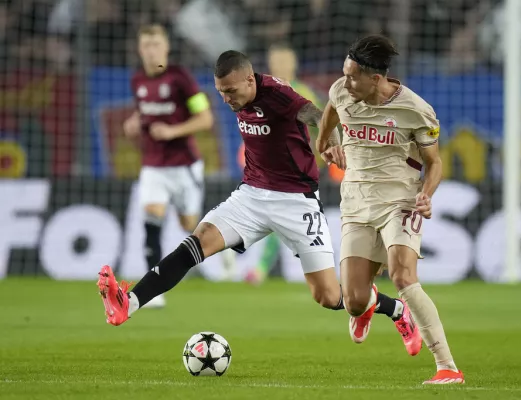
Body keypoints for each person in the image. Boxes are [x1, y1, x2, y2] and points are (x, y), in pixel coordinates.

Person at [97, 50, 419, 354]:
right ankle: (130, 302)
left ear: (250, 80)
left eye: (232, 91)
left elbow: (318, 115)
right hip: (250, 195)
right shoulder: (239, 97)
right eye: (221, 92)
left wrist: (332, 143)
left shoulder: (279, 95)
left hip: (296, 201)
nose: (227, 99)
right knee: (195, 244)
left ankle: (395, 309)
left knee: (332, 296)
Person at [316, 34, 464, 384]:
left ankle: (447, 367)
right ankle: (371, 309)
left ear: (375, 78)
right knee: (351, 299)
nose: (345, 81)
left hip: (401, 201)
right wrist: (327, 146)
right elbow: (328, 122)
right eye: (344, 73)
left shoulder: (415, 109)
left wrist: (427, 194)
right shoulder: (341, 91)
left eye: (353, 76)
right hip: (355, 202)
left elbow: (435, 162)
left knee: (403, 276)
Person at [122, 24, 235, 308]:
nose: (151, 51)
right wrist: (134, 123)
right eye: (146, 45)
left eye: (156, 45)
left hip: (184, 166)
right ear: (140, 49)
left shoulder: (180, 78)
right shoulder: (137, 81)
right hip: (153, 166)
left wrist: (172, 132)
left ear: (166, 48)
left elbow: (205, 118)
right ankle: (153, 293)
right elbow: (144, 111)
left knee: (189, 224)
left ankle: (225, 249)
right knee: (151, 219)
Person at [243, 43, 325, 285]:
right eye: (274, 60)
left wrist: (315, 157)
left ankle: (314, 269)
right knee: (273, 219)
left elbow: (322, 129)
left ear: (293, 63)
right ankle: (259, 267)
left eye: (283, 60)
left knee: (296, 222)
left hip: (299, 172)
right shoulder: (260, 93)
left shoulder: (305, 94)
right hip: (267, 171)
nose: (278, 65)